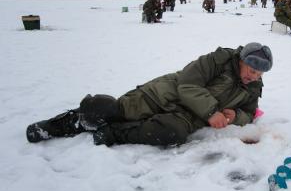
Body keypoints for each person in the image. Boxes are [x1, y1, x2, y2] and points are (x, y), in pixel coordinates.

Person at [26, 43, 273, 147]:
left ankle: (113, 133)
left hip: (186, 117)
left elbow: (250, 112)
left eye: (260, 75)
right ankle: (64, 124)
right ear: (241, 61)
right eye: (252, 70)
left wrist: (235, 115)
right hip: (163, 94)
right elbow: (187, 83)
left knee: (170, 134)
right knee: (110, 110)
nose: (254, 77)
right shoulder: (218, 60)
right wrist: (211, 112)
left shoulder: (253, 87)